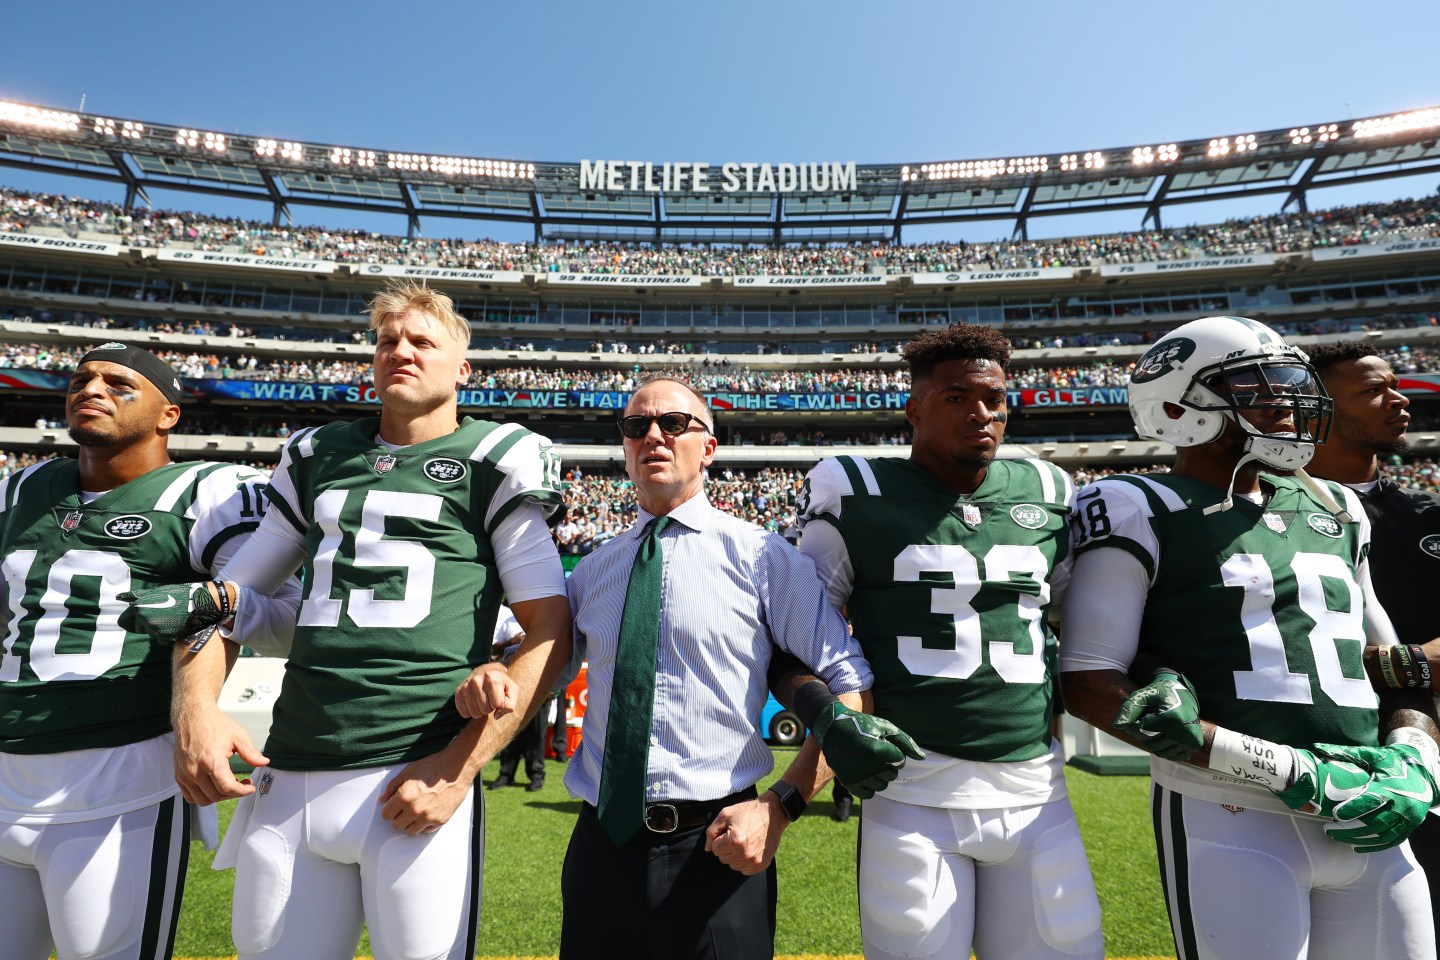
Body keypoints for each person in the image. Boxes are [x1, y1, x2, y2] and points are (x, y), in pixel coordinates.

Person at [150, 282, 574, 960]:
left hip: (417, 767)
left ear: (462, 368)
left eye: (421, 341)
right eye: (386, 341)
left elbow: (551, 626)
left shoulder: (496, 458)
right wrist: (195, 707)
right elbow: (222, 600)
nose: (400, 351)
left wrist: (459, 768)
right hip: (293, 766)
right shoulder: (318, 455)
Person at [1060, 316, 1439, 960]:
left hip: (1365, 804)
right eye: (1259, 387)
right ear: (1181, 407)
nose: (1287, 402)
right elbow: (1091, 683)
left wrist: (1415, 760)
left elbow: (1397, 670)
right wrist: (1289, 770)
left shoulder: (1337, 508)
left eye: (1290, 384)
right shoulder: (1133, 505)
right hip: (1231, 811)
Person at [557, 377, 915, 960]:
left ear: (709, 447)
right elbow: (543, 671)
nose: (652, 435)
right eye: (636, 426)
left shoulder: (764, 557)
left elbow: (852, 687)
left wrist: (783, 805)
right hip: (600, 845)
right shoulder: (592, 571)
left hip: (719, 844)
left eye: (673, 424)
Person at [794, 322, 1104, 960]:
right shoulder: (854, 488)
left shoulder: (1048, 489)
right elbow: (807, 628)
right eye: (957, 398)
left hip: (1036, 787)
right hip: (912, 787)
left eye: (993, 399)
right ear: (913, 410)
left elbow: (1084, 629)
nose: (981, 414)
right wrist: (833, 717)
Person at [0, 342, 297, 960]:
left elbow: (279, 613)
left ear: (169, 414)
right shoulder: (20, 489)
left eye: (118, 383)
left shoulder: (212, 491)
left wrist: (199, 699)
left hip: (120, 769)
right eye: (81, 379)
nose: (92, 389)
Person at [1306, 339, 1440, 956]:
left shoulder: (1426, 513)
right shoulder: (1263, 519)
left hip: (1428, 765)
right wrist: (1409, 663)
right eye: (1374, 391)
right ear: (1318, 408)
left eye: (1396, 385)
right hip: (1326, 773)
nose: (1400, 400)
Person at [489, 605, 546, 792]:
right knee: (507, 729)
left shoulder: (547, 616)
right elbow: (493, 649)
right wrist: (510, 643)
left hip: (537, 683)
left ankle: (536, 774)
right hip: (509, 682)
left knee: (536, 733)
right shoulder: (507, 618)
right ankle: (506, 773)